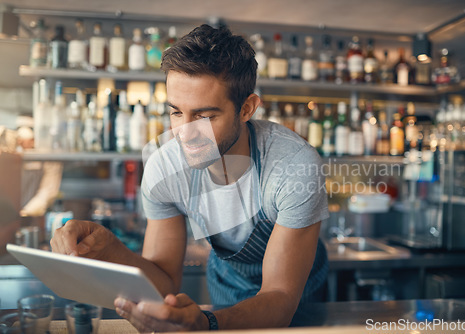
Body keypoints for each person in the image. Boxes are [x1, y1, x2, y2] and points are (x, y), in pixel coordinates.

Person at [51, 24, 329, 332]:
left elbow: (280, 298)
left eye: (205, 116)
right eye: (176, 112)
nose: (185, 133)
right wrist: (109, 249)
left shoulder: (293, 166)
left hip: (299, 303)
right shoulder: (164, 168)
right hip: (225, 292)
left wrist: (206, 323)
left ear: (247, 108)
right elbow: (163, 280)